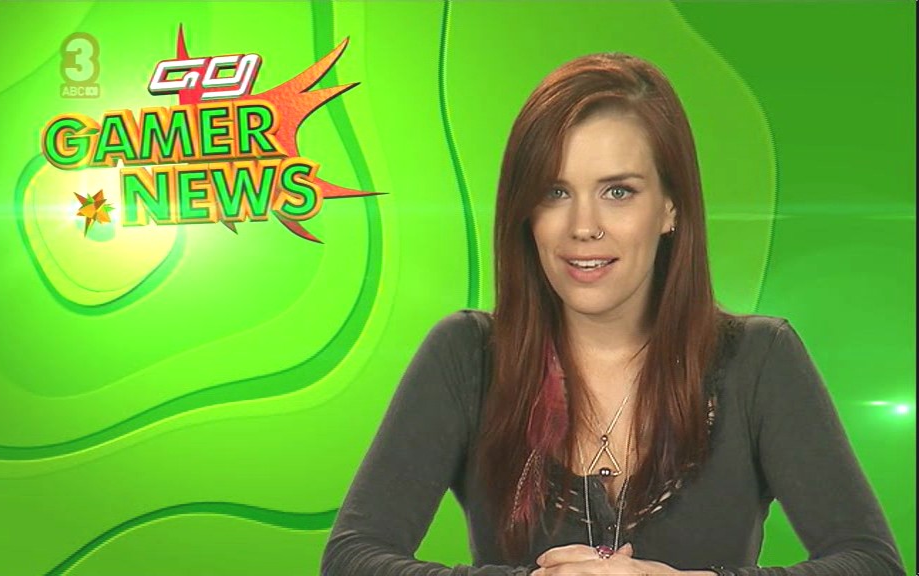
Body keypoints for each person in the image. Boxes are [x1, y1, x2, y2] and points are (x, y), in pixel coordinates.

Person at [320, 53, 905, 576]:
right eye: (555, 192)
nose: (583, 227)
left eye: (618, 191)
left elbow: (871, 562)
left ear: (671, 208)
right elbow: (352, 559)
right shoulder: (467, 355)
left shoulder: (760, 359)